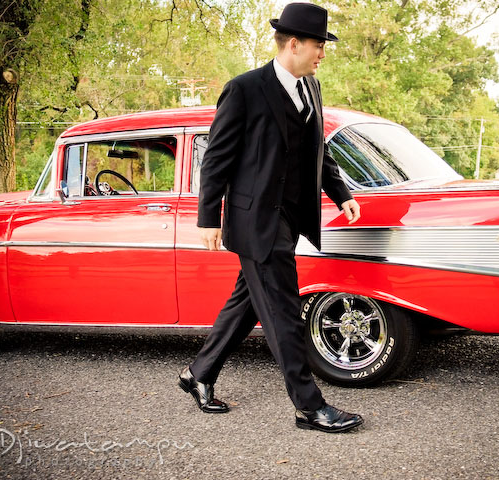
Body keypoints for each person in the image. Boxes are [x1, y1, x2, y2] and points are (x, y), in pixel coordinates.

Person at [178, 2, 363, 433]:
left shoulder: (310, 87)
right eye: (319, 45)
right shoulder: (244, 89)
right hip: (255, 220)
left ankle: (198, 374)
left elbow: (318, 149)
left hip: (291, 217)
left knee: (248, 303)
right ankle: (308, 406)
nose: (323, 54)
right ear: (294, 43)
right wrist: (208, 218)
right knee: (282, 311)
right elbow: (216, 159)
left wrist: (340, 192)